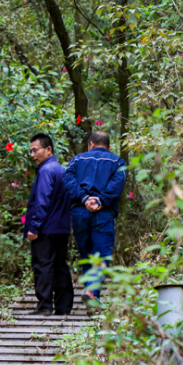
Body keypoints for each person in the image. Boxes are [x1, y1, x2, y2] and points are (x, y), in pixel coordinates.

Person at [61, 131, 126, 313]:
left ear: (90, 144)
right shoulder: (117, 162)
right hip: (103, 213)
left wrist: (84, 198)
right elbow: (117, 184)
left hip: (80, 212)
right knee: (101, 255)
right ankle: (91, 291)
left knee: (87, 254)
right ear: (109, 146)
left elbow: (68, 179)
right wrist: (100, 200)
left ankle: (93, 299)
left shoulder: (76, 160)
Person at [24, 133, 74, 316]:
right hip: (61, 227)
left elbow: (42, 201)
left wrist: (34, 227)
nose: (32, 154)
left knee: (42, 265)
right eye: (30, 151)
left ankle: (45, 305)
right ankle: (63, 306)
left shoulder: (46, 171)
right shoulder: (61, 169)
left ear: (48, 149)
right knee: (60, 265)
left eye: (35, 150)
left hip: (46, 228)